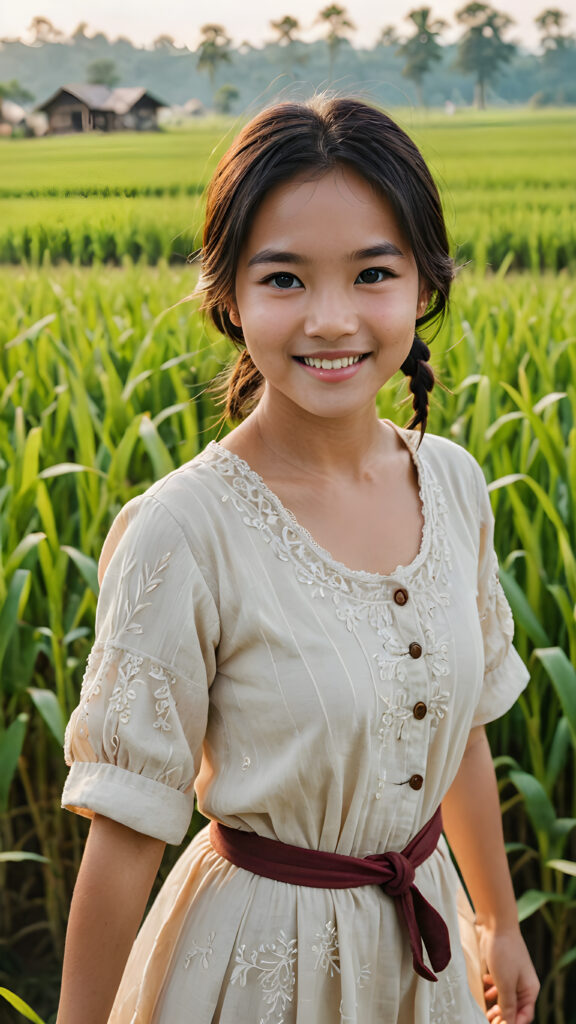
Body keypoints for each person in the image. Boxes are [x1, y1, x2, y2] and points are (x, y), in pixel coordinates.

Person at [57, 95, 540, 1024]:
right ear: (228, 297)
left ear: (422, 285)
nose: (331, 319)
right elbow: (122, 835)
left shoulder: (451, 483)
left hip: (423, 945)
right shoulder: (184, 531)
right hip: (253, 967)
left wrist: (498, 920)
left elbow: (463, 727)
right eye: (284, 279)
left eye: (372, 274)